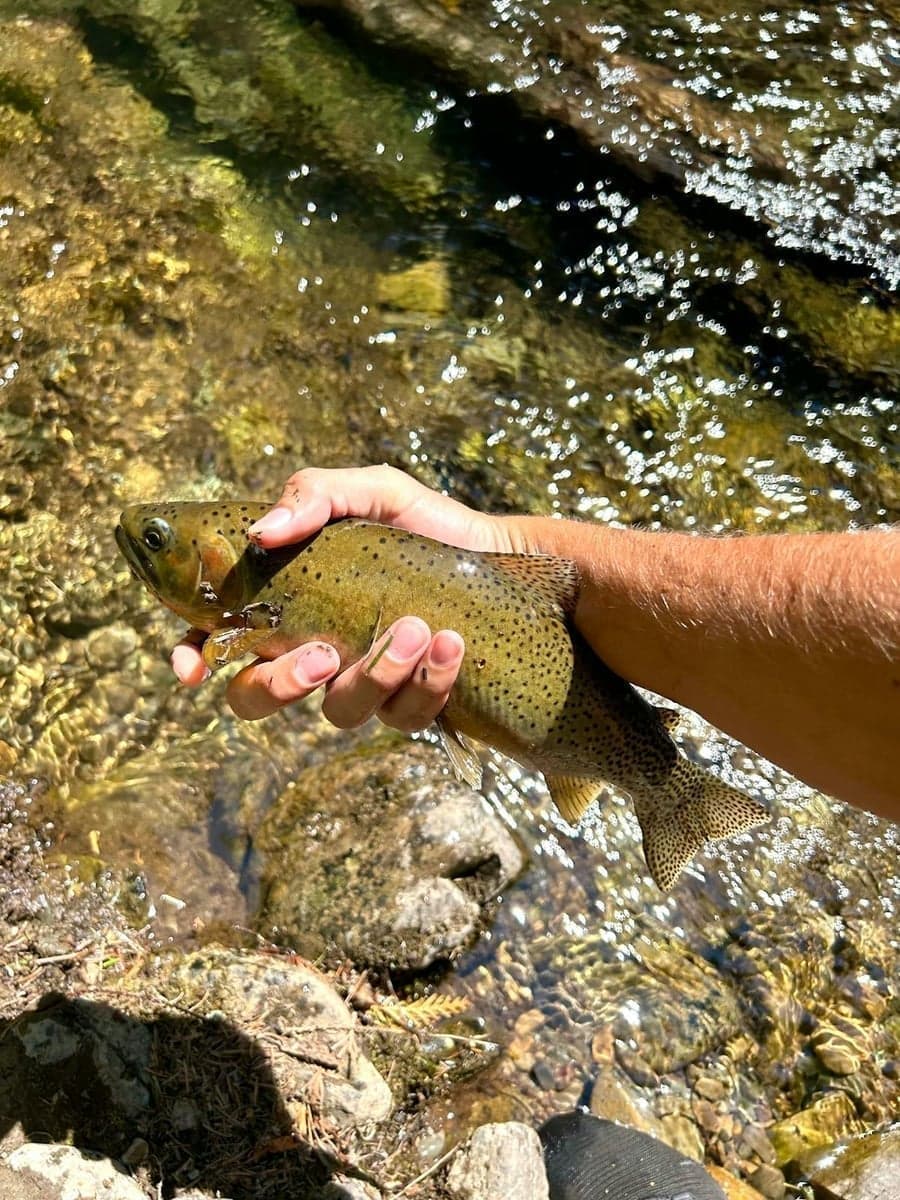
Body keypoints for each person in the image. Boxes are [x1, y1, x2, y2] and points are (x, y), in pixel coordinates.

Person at [172, 464, 900, 820]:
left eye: (157, 544)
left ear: (211, 568)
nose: (146, 551)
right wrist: (503, 546)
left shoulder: (238, 604)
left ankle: (671, 795)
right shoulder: (243, 602)